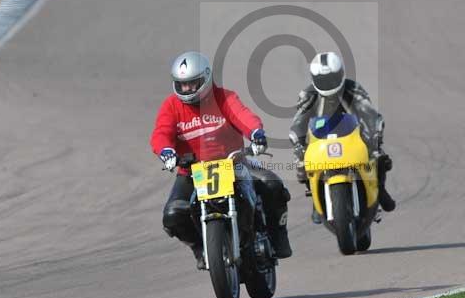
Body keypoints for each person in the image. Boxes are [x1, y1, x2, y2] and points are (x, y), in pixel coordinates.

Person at [151, 51, 292, 269]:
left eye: (192, 83)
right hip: (191, 172)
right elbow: (161, 133)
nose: (187, 89)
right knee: (173, 215)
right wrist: (167, 152)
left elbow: (242, 115)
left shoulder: (224, 97)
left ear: (206, 78)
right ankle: (201, 248)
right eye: (183, 85)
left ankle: (278, 235)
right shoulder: (171, 106)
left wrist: (256, 133)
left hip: (234, 163)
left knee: (272, 185)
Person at [289, 52, 395, 222]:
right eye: (323, 80)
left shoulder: (353, 88)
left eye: (332, 78)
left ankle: (379, 189)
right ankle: (316, 200)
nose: (328, 84)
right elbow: (298, 123)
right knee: (302, 162)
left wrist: (375, 131)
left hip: (353, 135)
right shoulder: (307, 94)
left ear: (340, 74)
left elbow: (369, 113)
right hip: (321, 139)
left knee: (379, 157)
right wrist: (297, 141)